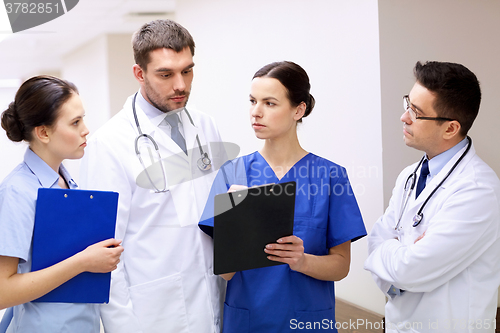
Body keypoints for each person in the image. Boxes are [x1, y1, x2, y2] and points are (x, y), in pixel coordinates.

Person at [79, 19, 227, 333]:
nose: (181, 85)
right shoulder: (109, 144)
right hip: (153, 314)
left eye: (187, 70)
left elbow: (216, 215)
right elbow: (103, 253)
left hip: (213, 299)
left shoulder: (206, 126)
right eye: (165, 74)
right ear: (139, 73)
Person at [199, 61, 367, 332]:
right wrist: (239, 224)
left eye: (270, 103)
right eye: (252, 101)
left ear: (298, 110)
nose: (256, 112)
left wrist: (302, 261)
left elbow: (341, 266)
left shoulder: (330, 176)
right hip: (248, 320)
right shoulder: (233, 174)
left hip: (307, 321)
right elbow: (224, 272)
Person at [364, 61, 500, 333]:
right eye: (407, 104)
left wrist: (396, 255)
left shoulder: (478, 190)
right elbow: (376, 240)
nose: (404, 117)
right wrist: (403, 259)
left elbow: (410, 269)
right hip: (398, 324)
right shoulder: (409, 176)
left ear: (450, 128)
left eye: (416, 112)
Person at [0, 75, 123, 333]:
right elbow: (3, 291)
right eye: (75, 122)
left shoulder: (68, 184)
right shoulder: (17, 191)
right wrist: (83, 262)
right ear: (43, 133)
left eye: (83, 119)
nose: (86, 129)